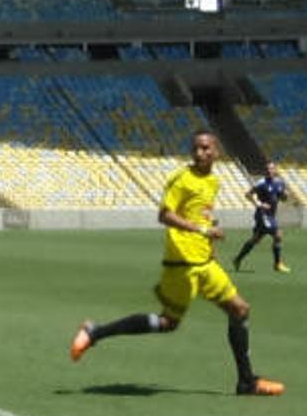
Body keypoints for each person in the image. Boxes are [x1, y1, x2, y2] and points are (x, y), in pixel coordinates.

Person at [69, 130, 284, 397]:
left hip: (205, 263)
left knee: (240, 310)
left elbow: (203, 216)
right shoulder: (181, 179)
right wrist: (202, 231)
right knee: (167, 322)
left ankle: (246, 382)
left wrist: (210, 244)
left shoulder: (213, 182)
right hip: (182, 264)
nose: (200, 153)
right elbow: (165, 215)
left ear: (216, 152)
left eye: (206, 148)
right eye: (196, 148)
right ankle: (95, 332)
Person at [231, 162, 289, 273]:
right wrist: (259, 204)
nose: (269, 171)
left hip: (271, 215)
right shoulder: (261, 183)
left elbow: (282, 198)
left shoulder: (279, 183)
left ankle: (237, 259)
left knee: (255, 239)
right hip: (262, 214)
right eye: (267, 169)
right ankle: (277, 264)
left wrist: (285, 196)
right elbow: (248, 194)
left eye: (272, 169)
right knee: (278, 235)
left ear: (275, 170)